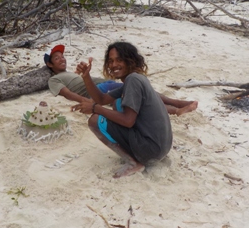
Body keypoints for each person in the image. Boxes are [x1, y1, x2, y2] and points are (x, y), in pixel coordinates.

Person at [71, 42, 174, 178]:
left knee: (95, 120)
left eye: (119, 60)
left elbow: (128, 121)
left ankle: (133, 163)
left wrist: (95, 109)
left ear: (130, 60)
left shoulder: (133, 80)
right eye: (111, 61)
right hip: (162, 148)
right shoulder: (136, 79)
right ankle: (135, 153)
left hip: (151, 151)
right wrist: (86, 77)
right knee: (118, 102)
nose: (114, 65)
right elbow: (102, 99)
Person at [45, 44, 198, 115]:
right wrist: (85, 101)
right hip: (100, 90)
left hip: (107, 85)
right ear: (49, 64)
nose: (62, 59)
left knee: (141, 93)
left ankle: (178, 104)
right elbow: (67, 94)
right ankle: (176, 109)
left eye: (62, 56)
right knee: (137, 97)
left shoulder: (70, 73)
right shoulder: (54, 79)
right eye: (57, 58)